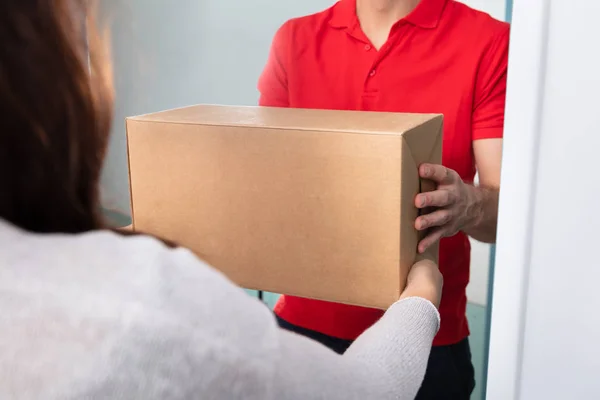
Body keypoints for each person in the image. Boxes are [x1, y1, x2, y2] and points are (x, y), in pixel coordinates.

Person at [0, 1, 443, 399]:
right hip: (319, 319)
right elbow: (365, 392)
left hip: (425, 340)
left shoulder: (487, 40)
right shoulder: (146, 299)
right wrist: (422, 294)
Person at [258, 0, 508, 398]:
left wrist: (468, 205)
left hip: (429, 339)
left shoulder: (489, 42)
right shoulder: (294, 39)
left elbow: (503, 221)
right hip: (301, 334)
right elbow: (266, 182)